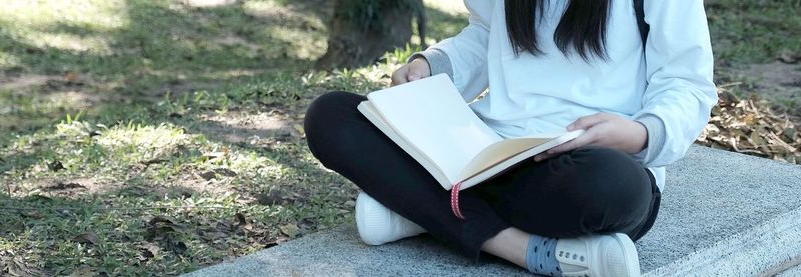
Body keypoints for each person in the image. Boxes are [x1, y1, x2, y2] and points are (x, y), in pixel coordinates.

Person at [304, 0, 717, 276]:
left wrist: (640, 133)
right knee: (334, 116)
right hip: (486, 149)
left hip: (581, 160)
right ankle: (524, 250)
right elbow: (486, 35)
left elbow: (687, 83)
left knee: (614, 187)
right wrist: (433, 65)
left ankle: (419, 208)